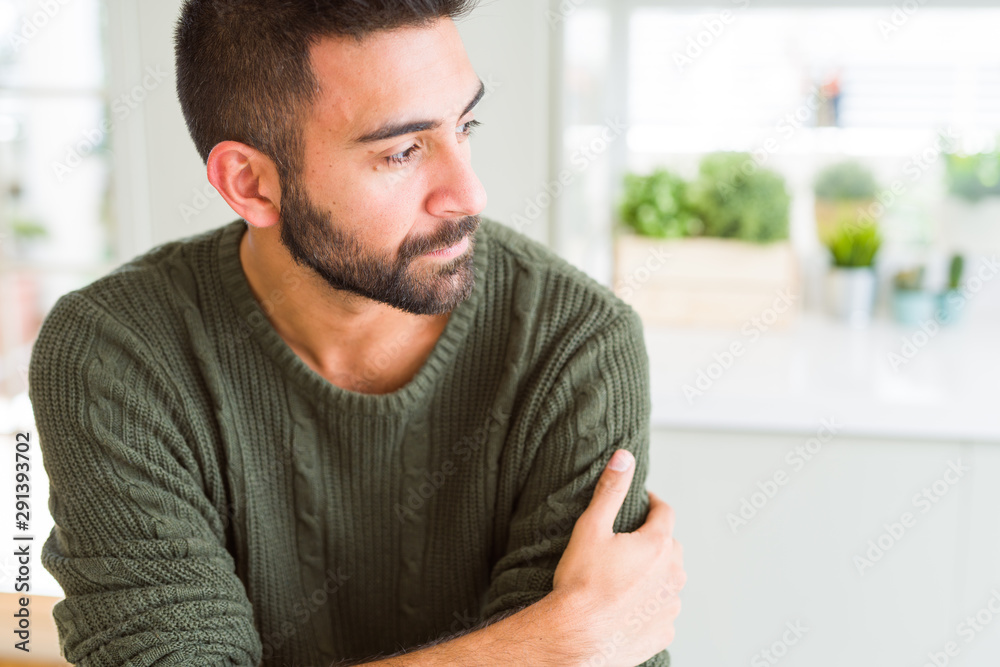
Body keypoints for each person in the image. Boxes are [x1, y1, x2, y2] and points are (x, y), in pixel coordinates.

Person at [28, 1, 686, 665]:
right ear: (250, 183)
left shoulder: (574, 345)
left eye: (466, 125)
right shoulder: (115, 355)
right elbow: (582, 645)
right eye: (402, 152)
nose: (469, 192)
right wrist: (550, 644)